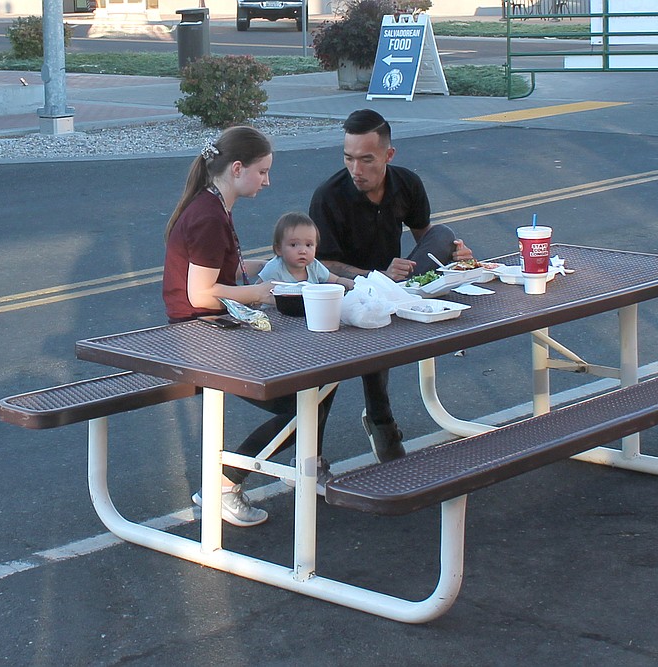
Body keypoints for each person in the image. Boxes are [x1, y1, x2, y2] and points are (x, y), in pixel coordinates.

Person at [163, 126, 336, 528]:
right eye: (263, 171)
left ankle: (307, 465)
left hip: (211, 325)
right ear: (237, 168)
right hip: (199, 333)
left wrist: (269, 270)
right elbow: (201, 294)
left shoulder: (212, 205)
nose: (267, 180)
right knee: (303, 401)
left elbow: (220, 270)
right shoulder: (209, 217)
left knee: (323, 381)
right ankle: (223, 484)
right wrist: (261, 292)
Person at [309, 109, 474, 464]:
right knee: (326, 376)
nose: (356, 170)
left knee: (444, 234)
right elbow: (320, 265)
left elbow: (424, 238)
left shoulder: (407, 184)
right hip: (342, 291)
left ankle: (381, 420)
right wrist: (376, 277)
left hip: (395, 288)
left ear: (388, 155)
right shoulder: (328, 197)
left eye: (367, 160)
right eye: (349, 158)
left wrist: (456, 253)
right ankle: (313, 456)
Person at [258, 212, 354, 289]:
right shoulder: (274, 269)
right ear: (279, 249)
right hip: (275, 311)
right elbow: (257, 291)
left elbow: (335, 280)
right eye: (294, 245)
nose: (303, 251)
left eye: (308, 245)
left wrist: (346, 282)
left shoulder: (314, 266)